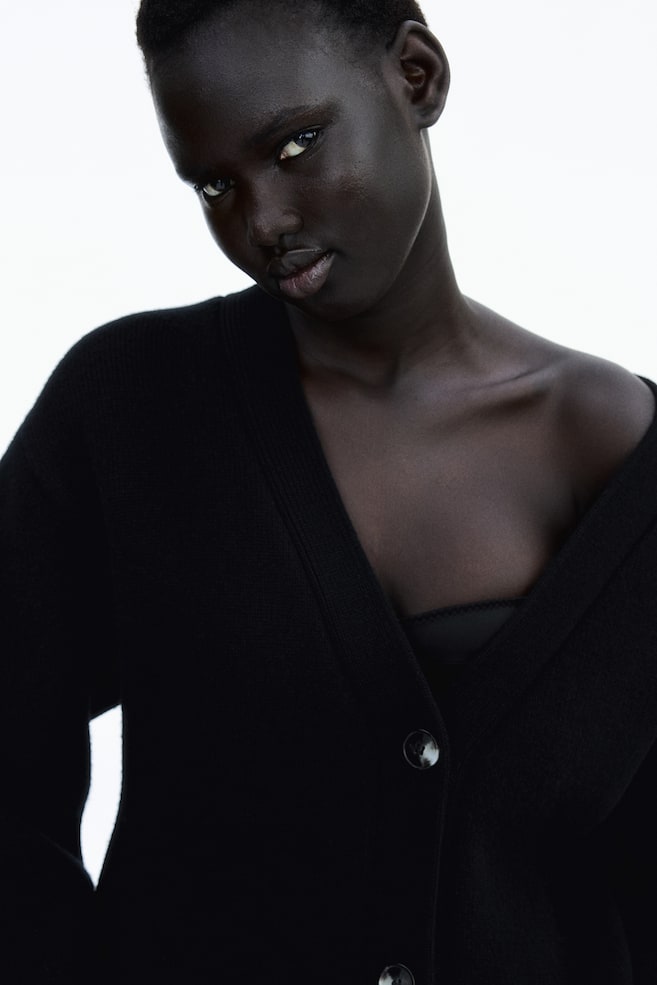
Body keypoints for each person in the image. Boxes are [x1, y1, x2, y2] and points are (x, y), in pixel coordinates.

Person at [1, 1, 655, 982]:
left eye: (296, 145)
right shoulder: (134, 412)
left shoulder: (620, 452)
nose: (262, 222)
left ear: (417, 76)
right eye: (215, 185)